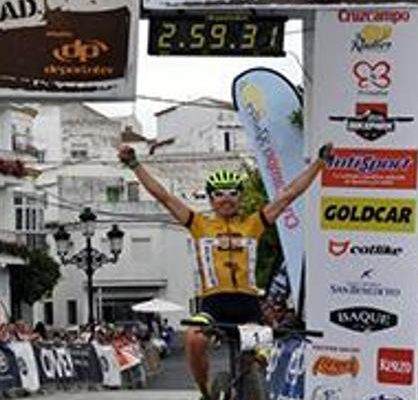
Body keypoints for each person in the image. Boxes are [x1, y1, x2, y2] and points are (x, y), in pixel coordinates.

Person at [118, 143, 332, 399]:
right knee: (194, 339)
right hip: (213, 306)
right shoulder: (199, 224)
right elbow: (164, 196)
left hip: (249, 307)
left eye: (232, 192)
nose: (227, 198)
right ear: (211, 199)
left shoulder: (254, 223)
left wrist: (319, 164)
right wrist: (134, 165)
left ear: (240, 197)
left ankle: (250, 381)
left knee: (258, 356)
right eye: (219, 194)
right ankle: (206, 393)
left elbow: (288, 196)